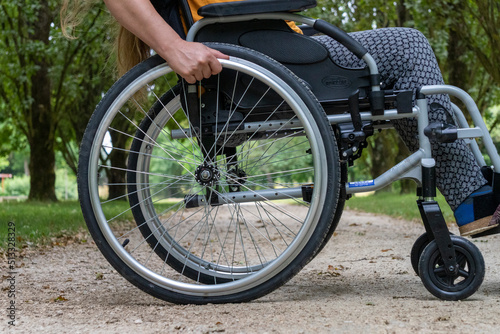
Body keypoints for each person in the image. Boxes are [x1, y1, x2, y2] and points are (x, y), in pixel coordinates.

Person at [62, 0, 500, 237]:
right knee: (407, 48)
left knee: (395, 83)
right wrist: (175, 49)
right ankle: (473, 197)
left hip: (271, 46)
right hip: (266, 55)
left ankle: (472, 195)